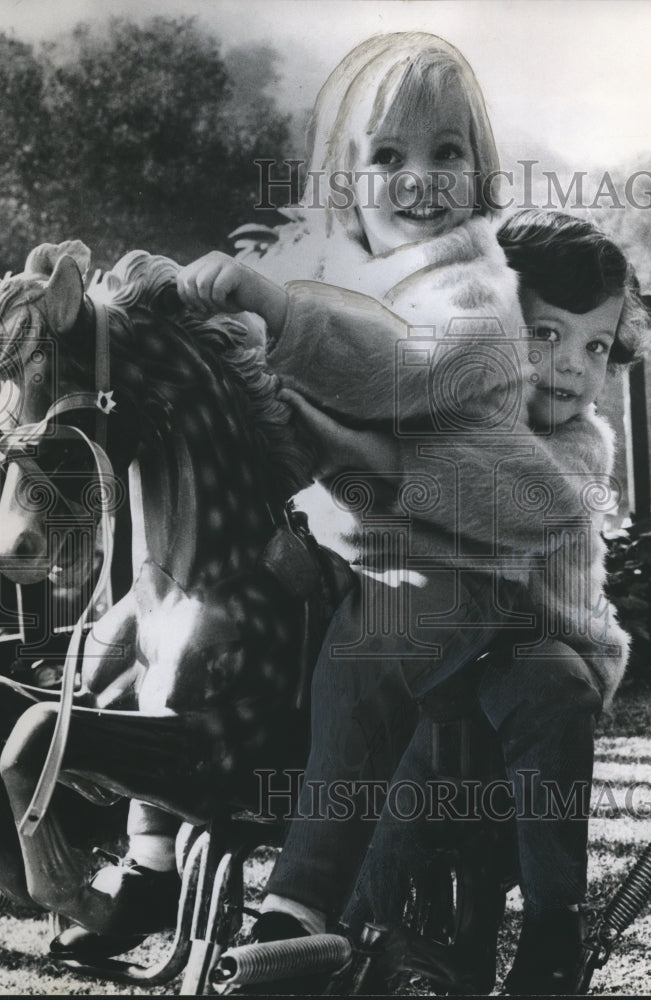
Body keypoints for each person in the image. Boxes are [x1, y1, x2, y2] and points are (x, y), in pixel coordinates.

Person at [53, 29, 524, 962]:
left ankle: (301, 902)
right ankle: (151, 857)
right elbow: (309, 429)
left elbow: (393, 375)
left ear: (482, 174)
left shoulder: (479, 298)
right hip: (352, 539)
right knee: (179, 620)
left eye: (445, 152)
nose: (416, 177)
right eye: (387, 156)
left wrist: (276, 312)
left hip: (454, 559)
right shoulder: (348, 277)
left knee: (362, 655)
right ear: (349, 179)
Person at [179, 202, 650, 996]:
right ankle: (319, 926)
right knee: (392, 677)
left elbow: (440, 491)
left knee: (546, 682)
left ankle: (550, 930)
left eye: (595, 346)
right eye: (546, 334)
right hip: (427, 640)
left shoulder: (576, 445)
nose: (573, 366)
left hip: (526, 631)